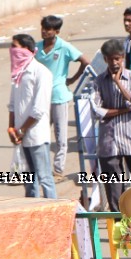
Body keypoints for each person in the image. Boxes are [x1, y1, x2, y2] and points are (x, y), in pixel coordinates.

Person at [91, 38, 131, 212]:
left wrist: (118, 83)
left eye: (117, 59)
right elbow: (96, 111)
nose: (114, 63)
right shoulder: (98, 82)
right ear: (105, 59)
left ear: (122, 57)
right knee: (114, 194)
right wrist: (124, 110)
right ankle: (119, 230)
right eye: (110, 59)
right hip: (109, 144)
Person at [35, 15, 90, 179]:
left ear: (56, 31)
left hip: (58, 95)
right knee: (40, 133)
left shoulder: (64, 47)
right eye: (43, 28)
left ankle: (58, 168)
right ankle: (41, 166)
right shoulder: (37, 48)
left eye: (48, 29)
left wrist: (72, 79)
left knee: (60, 135)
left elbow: (85, 61)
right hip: (41, 96)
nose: (44, 31)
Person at [8, 34, 56, 200]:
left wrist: (22, 129)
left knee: (44, 177)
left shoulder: (41, 73)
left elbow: (39, 108)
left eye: (16, 47)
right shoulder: (18, 74)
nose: (13, 51)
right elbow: (13, 104)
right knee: (29, 179)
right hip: (21, 133)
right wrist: (12, 128)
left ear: (27, 50)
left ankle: (54, 212)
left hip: (36, 134)